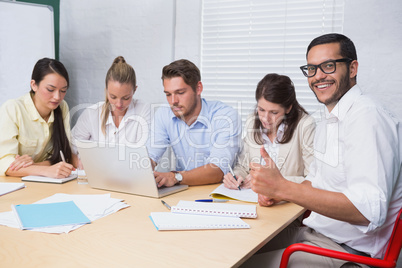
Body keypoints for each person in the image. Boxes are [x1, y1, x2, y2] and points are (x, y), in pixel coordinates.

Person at [243, 33, 402, 267]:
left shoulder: (367, 117)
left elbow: (368, 211)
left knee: (240, 263)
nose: (318, 76)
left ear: (352, 68)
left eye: (328, 66)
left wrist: (284, 187)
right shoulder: (330, 119)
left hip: (346, 251)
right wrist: (277, 193)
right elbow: (314, 182)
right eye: (311, 69)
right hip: (315, 234)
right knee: (239, 244)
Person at [223, 73, 315, 207]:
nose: (265, 118)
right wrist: (236, 177)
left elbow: (313, 179)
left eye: (274, 112)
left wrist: (273, 183)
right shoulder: (251, 122)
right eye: (261, 110)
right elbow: (243, 165)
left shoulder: (305, 125)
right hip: (252, 203)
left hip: (289, 206)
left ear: (288, 108)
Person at [149, 59, 241, 187]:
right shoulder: (163, 114)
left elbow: (218, 170)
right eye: (168, 94)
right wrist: (144, 169)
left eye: (180, 93)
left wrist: (176, 177)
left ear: (198, 88)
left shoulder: (225, 116)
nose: (173, 101)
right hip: (183, 191)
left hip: (218, 192)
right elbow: (150, 156)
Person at [0, 58, 78, 178]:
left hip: (42, 183)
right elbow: (5, 164)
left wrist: (34, 166)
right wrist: (46, 170)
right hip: (13, 185)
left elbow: (62, 155)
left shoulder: (62, 107)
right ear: (34, 85)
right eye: (50, 90)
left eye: (63, 90)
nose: (57, 97)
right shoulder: (12, 109)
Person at [72, 56, 150, 148]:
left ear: (135, 90)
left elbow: (146, 153)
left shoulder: (143, 110)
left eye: (126, 98)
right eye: (113, 97)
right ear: (106, 90)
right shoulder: (91, 113)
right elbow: (73, 147)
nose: (119, 104)